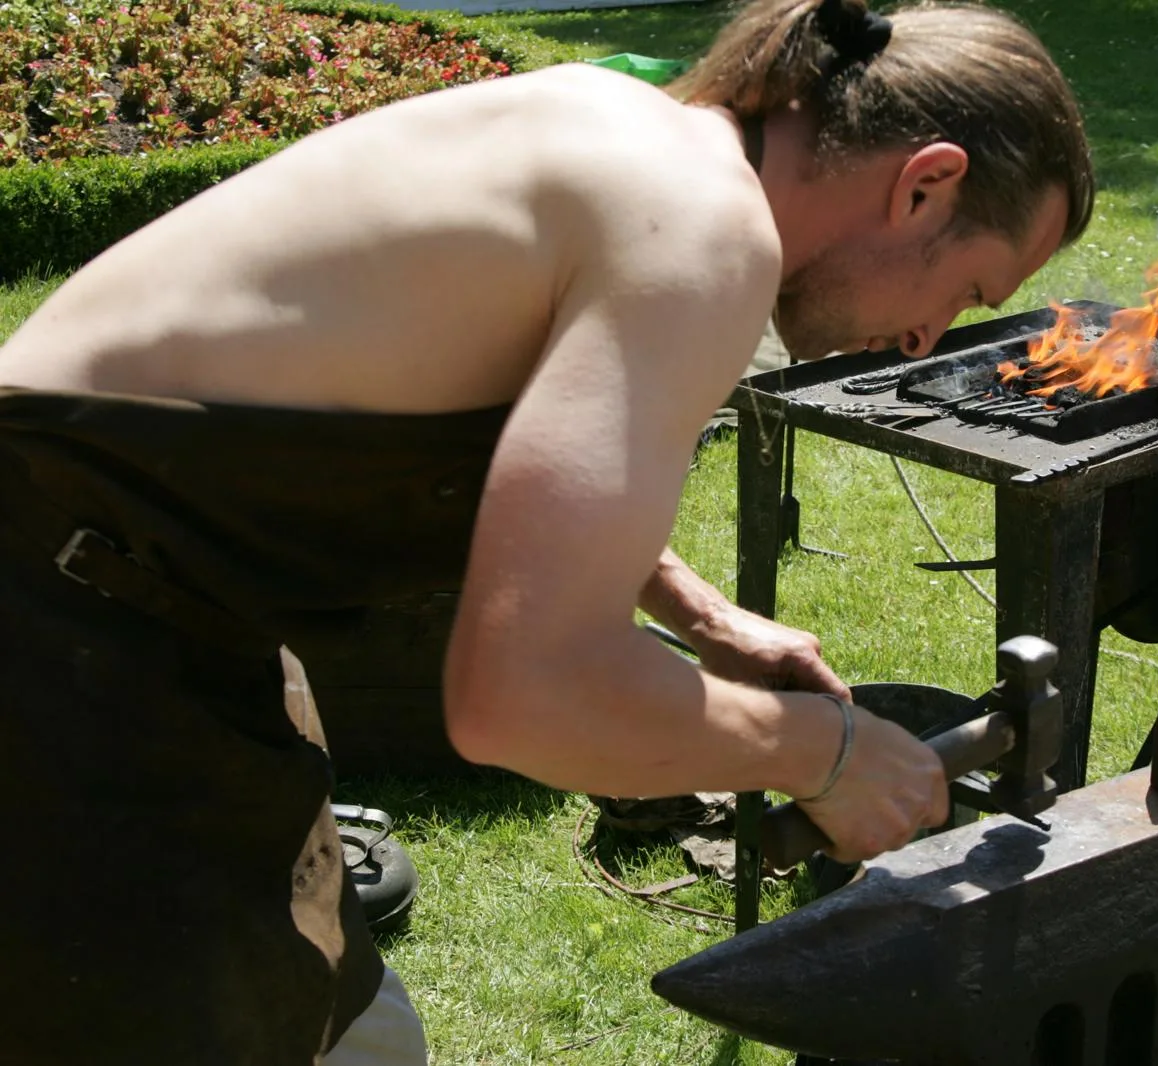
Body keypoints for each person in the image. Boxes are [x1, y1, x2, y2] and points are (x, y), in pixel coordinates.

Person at [0, 0, 1095, 1060]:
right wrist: (829, 754)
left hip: (141, 620)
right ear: (924, 184)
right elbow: (522, 695)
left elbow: (522, 435)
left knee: (352, 1027)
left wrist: (698, 613)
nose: (925, 339)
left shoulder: (638, 139)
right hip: (54, 644)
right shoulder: (703, 232)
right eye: (967, 289)